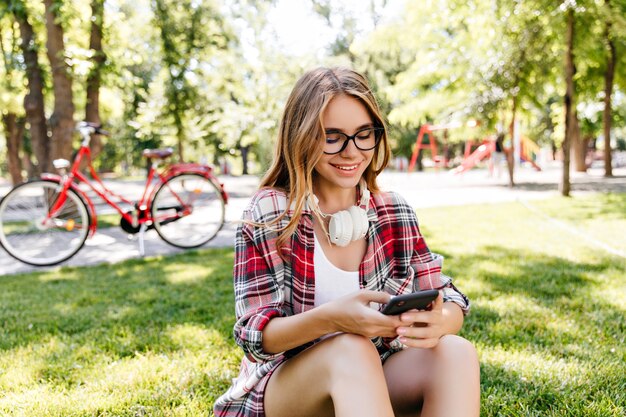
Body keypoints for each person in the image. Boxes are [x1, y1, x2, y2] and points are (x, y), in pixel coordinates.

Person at [213, 67, 480, 417]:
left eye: (363, 134)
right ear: (302, 136)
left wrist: (440, 321)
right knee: (351, 349)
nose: (351, 152)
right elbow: (254, 336)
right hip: (285, 393)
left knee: (456, 352)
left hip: (368, 383)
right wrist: (334, 320)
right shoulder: (271, 212)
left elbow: (449, 296)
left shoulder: (393, 211)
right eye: (332, 136)